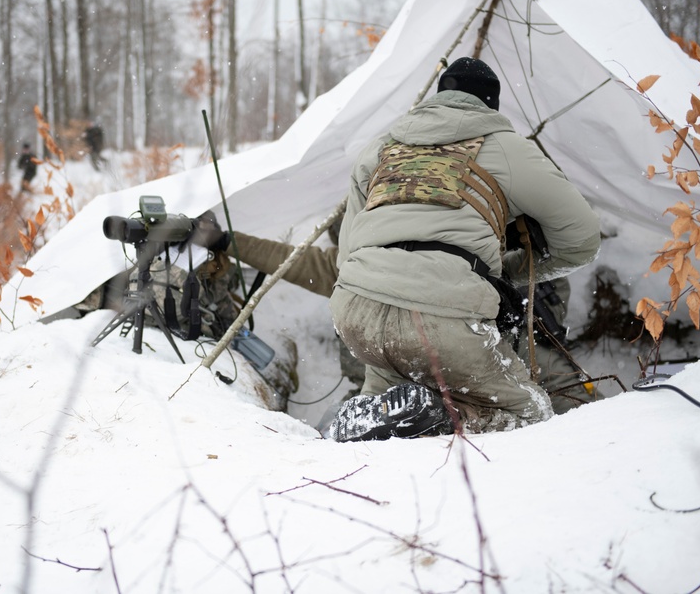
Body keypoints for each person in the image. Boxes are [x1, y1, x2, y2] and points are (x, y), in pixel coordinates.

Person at [326, 56, 601, 441]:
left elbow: (347, 252)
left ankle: (353, 431)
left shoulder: (380, 149)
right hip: (442, 311)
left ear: (439, 97)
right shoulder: (505, 146)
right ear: (490, 105)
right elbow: (583, 240)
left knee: (382, 400)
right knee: (530, 412)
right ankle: (439, 416)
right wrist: (510, 270)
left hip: (358, 310)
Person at [192, 213, 601, 415]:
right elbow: (293, 260)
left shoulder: (465, 243)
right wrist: (228, 241)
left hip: (490, 361)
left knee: (561, 395)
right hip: (407, 383)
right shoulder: (356, 261)